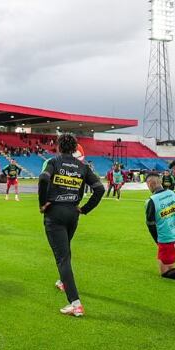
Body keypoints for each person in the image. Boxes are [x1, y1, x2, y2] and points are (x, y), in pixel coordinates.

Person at [38, 133, 105, 317]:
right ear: (76, 149)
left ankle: (75, 304)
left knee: (63, 257)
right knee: (65, 251)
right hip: (73, 214)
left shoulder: (53, 162)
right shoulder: (82, 167)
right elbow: (99, 189)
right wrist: (85, 209)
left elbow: (43, 179)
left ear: (59, 146)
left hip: (55, 214)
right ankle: (62, 281)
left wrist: (42, 203)